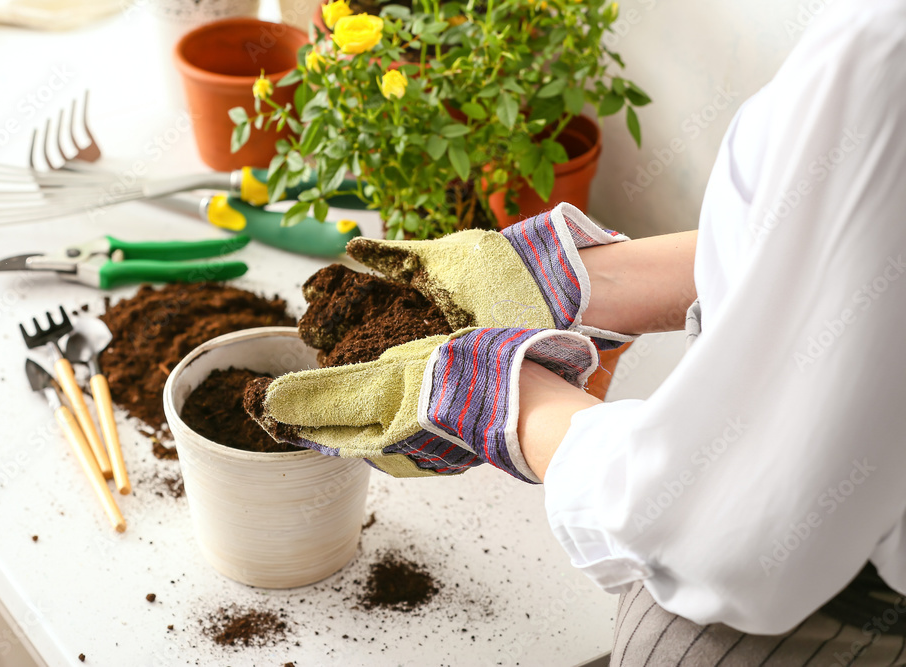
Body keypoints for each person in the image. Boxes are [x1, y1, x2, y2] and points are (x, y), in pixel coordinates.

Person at [245, 1, 906, 663]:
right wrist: (582, 281)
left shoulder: (884, 48)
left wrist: (504, 402)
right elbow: (853, 253)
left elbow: (729, 540)